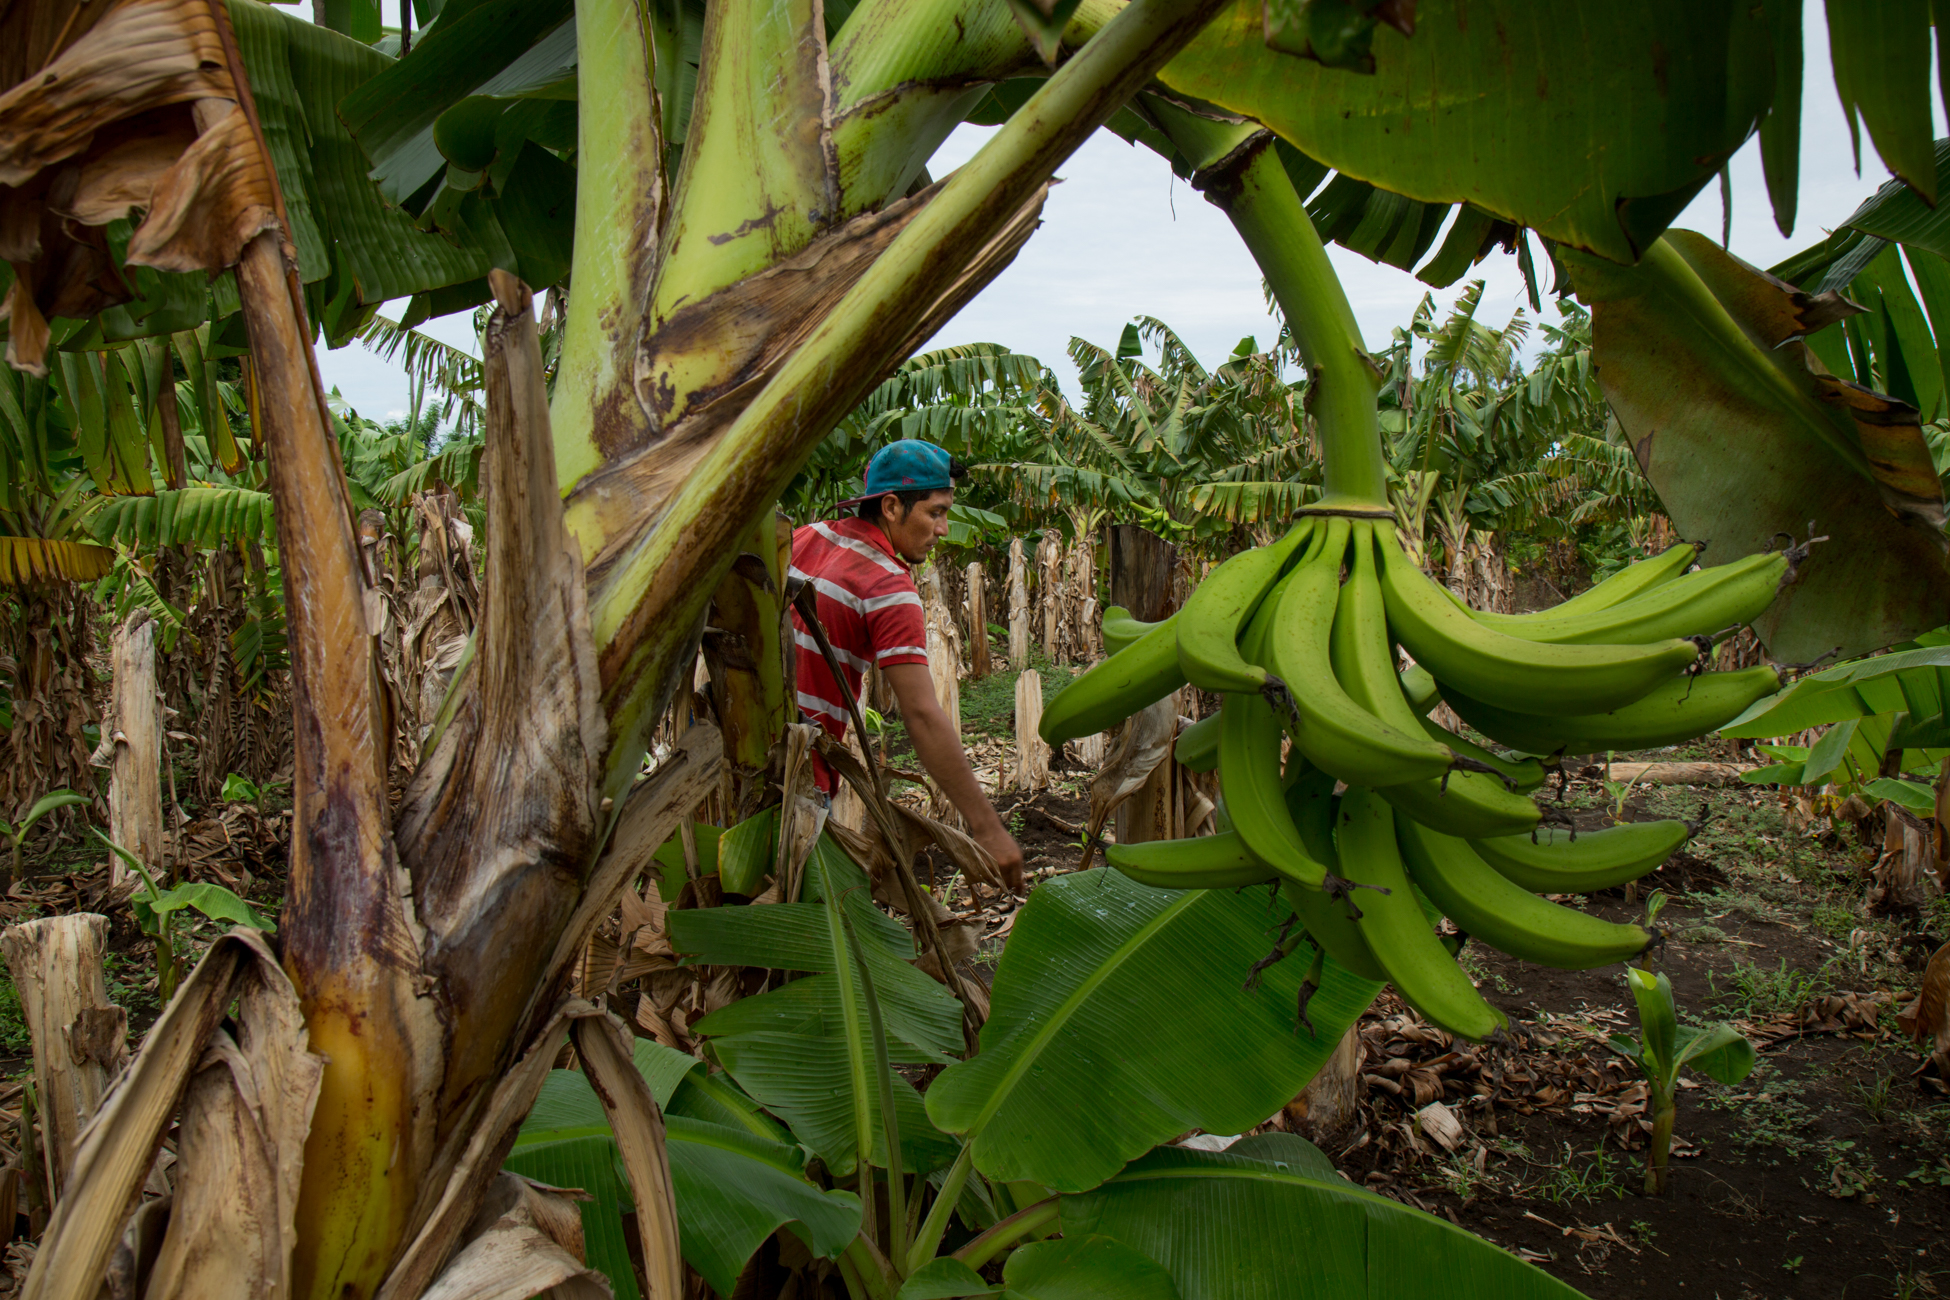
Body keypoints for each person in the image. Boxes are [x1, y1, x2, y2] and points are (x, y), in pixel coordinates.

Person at [790, 439, 1026, 891]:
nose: (943, 529)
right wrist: (988, 828)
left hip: (731, 758)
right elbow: (919, 713)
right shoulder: (886, 586)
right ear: (893, 506)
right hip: (799, 778)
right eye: (935, 513)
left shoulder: (806, 537)